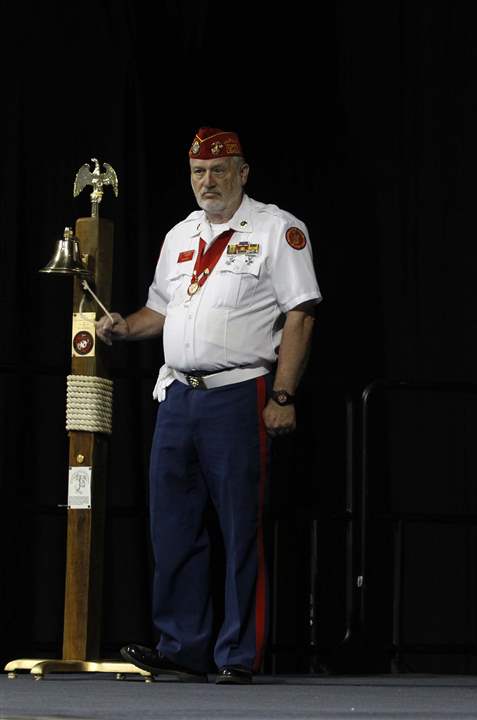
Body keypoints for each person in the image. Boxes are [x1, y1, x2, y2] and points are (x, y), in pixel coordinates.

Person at [97, 127, 321, 684]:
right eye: (198, 171)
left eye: (219, 171)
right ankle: (182, 645)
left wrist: (284, 395)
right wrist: (126, 327)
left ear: (243, 173)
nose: (207, 181)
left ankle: (237, 654)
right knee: (172, 526)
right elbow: (161, 309)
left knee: (240, 527)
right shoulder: (179, 235)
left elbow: (301, 313)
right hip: (177, 397)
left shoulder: (278, 230)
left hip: (238, 395)